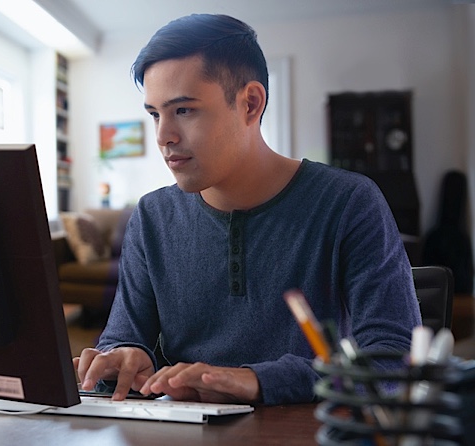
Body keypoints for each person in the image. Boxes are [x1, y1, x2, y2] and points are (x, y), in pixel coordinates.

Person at [74, 13, 422, 406]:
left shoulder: (349, 203)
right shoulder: (152, 216)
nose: (163, 136)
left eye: (184, 110)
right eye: (155, 114)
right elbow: (124, 337)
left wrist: (256, 381)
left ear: (250, 104)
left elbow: (395, 360)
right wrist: (122, 356)